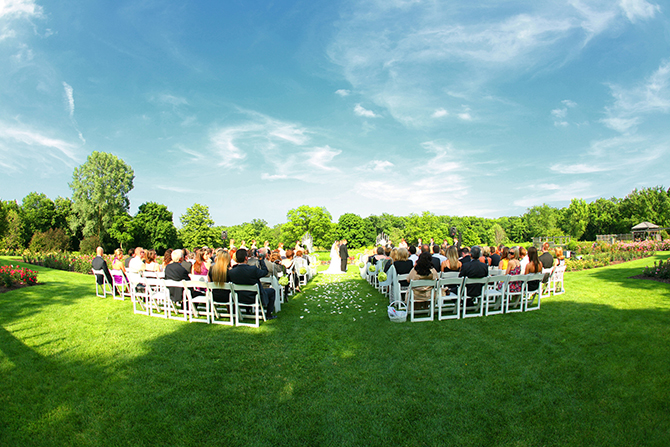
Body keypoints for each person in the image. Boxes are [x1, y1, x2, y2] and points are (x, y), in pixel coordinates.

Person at [228, 248, 276, 319]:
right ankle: (269, 314)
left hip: (239, 297)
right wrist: (261, 260)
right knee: (272, 291)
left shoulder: (231, 272)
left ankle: (248, 311)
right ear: (246, 258)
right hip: (254, 297)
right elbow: (265, 272)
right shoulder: (252, 269)